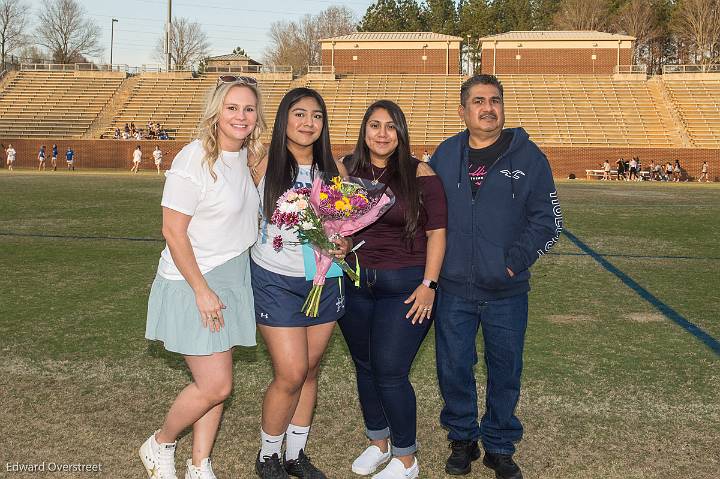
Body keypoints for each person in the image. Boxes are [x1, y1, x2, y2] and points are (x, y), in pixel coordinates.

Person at [429, 75, 562, 479]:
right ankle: (463, 439)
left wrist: (513, 261)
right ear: (462, 111)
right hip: (453, 289)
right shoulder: (445, 154)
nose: (489, 108)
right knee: (453, 366)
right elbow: (426, 214)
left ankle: (500, 445)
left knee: (505, 368)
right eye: (479, 101)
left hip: (506, 290)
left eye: (496, 101)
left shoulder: (529, 156)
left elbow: (548, 221)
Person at [139, 76, 266, 479]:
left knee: (219, 380)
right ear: (216, 111)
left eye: (248, 109)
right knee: (216, 386)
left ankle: (200, 464)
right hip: (194, 279)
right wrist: (201, 290)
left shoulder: (248, 158)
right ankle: (160, 443)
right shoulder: (193, 158)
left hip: (233, 276)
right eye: (232, 107)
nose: (241, 116)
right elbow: (173, 231)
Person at [338, 100, 447, 479]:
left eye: (390, 126)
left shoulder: (421, 173)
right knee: (365, 366)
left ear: (401, 132)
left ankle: (405, 458)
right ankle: (378, 442)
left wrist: (429, 284)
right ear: (364, 130)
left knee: (390, 370)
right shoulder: (346, 169)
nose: (381, 134)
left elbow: (437, 234)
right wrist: (339, 243)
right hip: (354, 283)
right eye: (374, 125)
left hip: (405, 284)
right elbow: (336, 227)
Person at [251, 87, 349, 479]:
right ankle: (267, 455)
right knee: (290, 373)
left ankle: (295, 455)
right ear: (284, 119)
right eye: (300, 114)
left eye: (317, 116)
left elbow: (341, 223)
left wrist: (342, 242)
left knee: (309, 370)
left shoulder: (333, 169)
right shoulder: (260, 163)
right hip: (275, 279)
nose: (309, 123)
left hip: (323, 279)